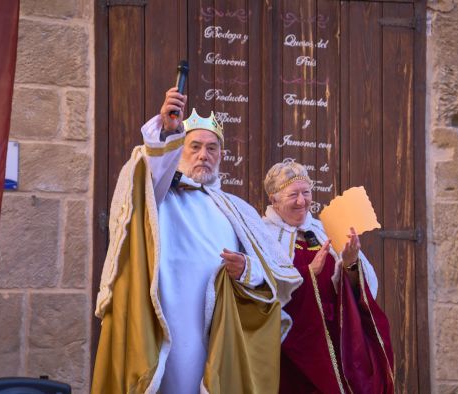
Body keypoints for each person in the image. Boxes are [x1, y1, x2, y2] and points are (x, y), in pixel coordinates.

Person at [92, 87, 302, 394]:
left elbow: (269, 275)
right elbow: (148, 171)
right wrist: (167, 131)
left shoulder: (235, 209)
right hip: (169, 325)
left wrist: (246, 268)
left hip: (217, 331)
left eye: (212, 148)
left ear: (221, 156)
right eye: (194, 146)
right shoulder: (161, 195)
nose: (203, 155)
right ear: (179, 150)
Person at [262, 161, 395, 394]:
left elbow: (365, 287)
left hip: (335, 340)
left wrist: (350, 263)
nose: (302, 201)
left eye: (306, 192)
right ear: (274, 200)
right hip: (290, 345)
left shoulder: (324, 229)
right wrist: (307, 274)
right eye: (293, 194)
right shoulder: (263, 235)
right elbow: (260, 291)